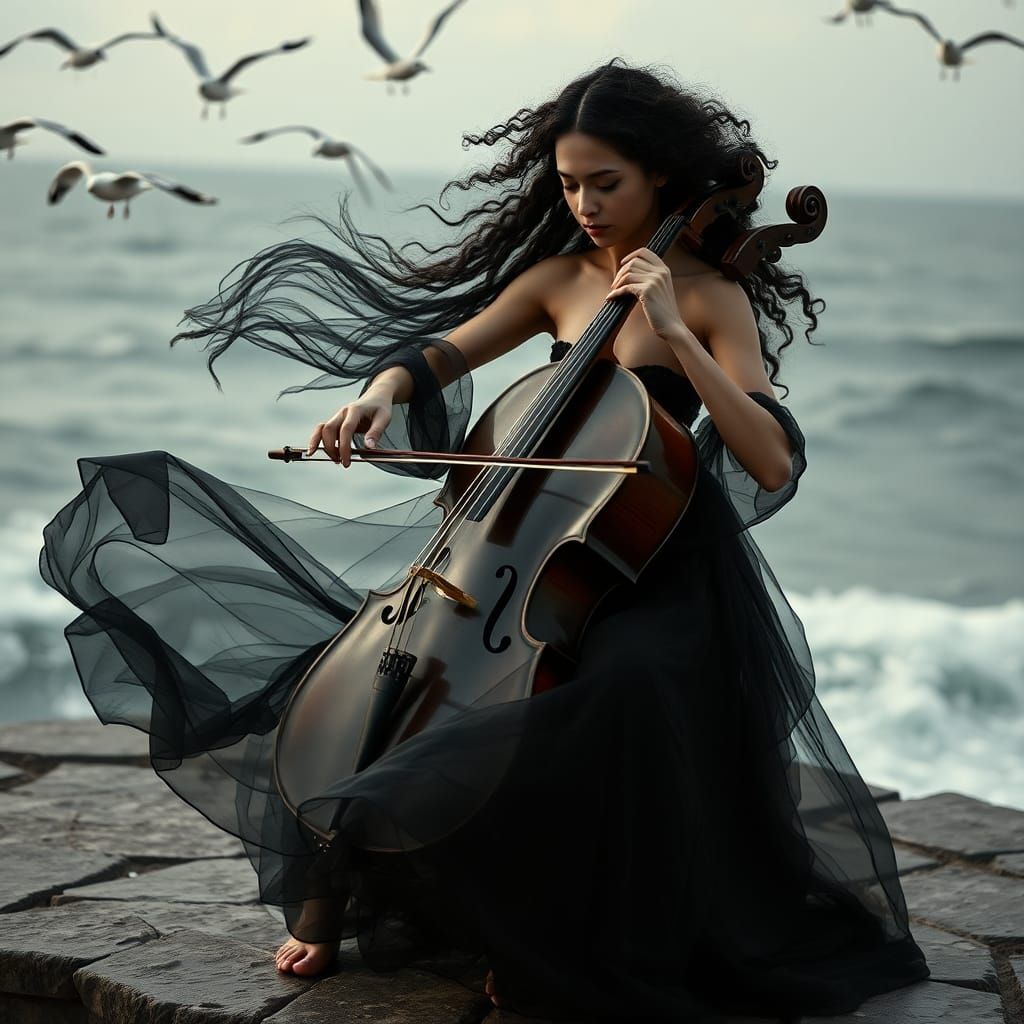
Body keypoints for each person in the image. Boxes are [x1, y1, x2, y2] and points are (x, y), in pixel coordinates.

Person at [40, 61, 929, 1022]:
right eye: (569, 184)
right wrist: (380, 392)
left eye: (606, 183)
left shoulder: (712, 297)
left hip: (657, 569)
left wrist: (674, 330)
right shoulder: (559, 282)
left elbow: (769, 457)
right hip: (535, 560)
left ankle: (541, 936)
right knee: (380, 680)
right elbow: (442, 353)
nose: (585, 205)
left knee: (613, 695)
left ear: (663, 178)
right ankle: (344, 883)